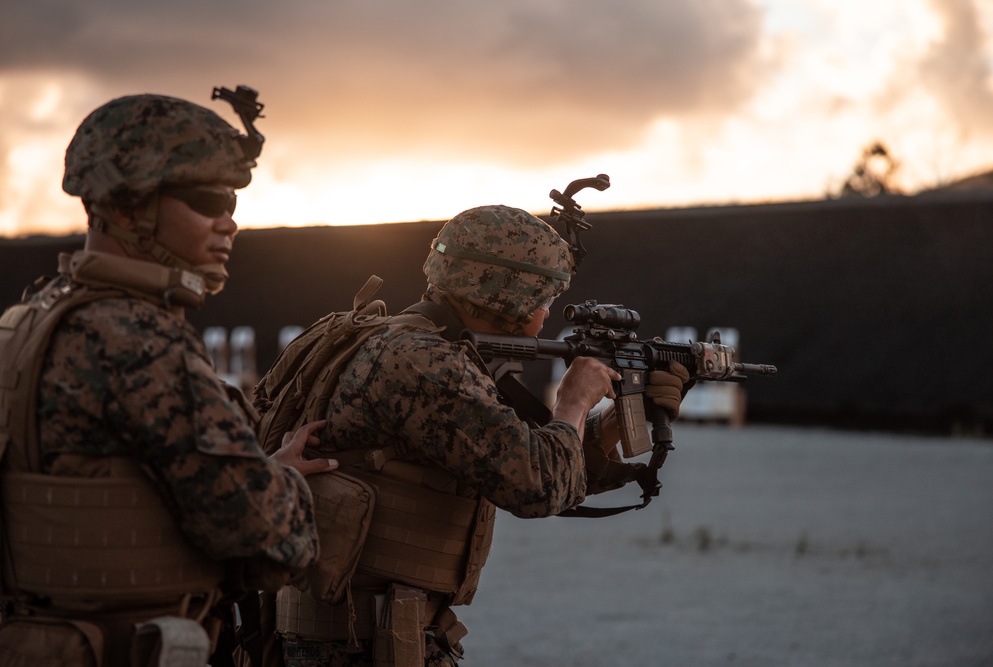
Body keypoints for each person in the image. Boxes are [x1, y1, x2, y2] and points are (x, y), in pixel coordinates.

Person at [0, 90, 337, 667]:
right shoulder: (138, 339)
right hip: (121, 645)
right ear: (130, 208)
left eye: (232, 200)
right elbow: (272, 541)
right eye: (208, 199)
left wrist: (259, 468)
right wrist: (285, 487)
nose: (229, 221)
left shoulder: (28, 318)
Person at [269, 204, 689, 666]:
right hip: (363, 642)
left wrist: (614, 419)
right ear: (504, 291)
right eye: (542, 295)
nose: (547, 310)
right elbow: (538, 485)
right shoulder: (425, 363)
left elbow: (520, 454)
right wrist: (573, 400)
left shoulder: (386, 339)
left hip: (353, 634)